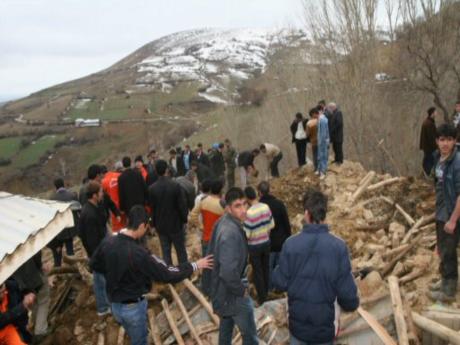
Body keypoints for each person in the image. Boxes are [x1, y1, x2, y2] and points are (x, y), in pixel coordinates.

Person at [90, 206, 213, 345]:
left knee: (131, 333)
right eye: (146, 227)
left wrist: (114, 272)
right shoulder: (139, 253)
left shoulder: (108, 241)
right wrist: (195, 265)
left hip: (115, 306)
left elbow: (94, 265)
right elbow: (167, 273)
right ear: (142, 225)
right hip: (133, 309)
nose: (146, 231)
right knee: (140, 341)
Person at [272, 188, 359, 345]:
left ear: (306, 213)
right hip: (324, 330)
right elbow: (349, 298)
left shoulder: (290, 244)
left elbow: (279, 283)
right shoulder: (339, 247)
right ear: (325, 214)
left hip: (298, 328)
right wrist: (350, 304)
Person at [207, 187, 259, 345]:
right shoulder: (230, 233)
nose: (243, 210)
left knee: (226, 325)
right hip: (232, 291)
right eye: (238, 206)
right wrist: (241, 290)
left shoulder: (225, 221)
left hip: (223, 291)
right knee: (250, 336)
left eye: (245, 204)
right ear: (228, 208)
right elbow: (228, 272)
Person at [428, 124, 460, 302]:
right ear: (437, 141)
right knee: (442, 248)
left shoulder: (457, 163)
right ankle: (445, 279)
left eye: (449, 139)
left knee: (448, 251)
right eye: (442, 140)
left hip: (451, 214)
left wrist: (453, 220)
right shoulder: (438, 158)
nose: (445, 143)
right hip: (441, 212)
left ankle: (449, 290)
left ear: (454, 141)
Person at [79, 181, 111, 316]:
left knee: (102, 279)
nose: (102, 194)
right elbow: (92, 240)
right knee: (99, 280)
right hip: (97, 252)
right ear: (94, 195)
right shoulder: (89, 214)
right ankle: (103, 308)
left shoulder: (91, 208)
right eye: (101, 192)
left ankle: (105, 304)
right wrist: (97, 255)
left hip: (98, 250)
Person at [148, 160, 189, 265]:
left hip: (161, 226)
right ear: (167, 169)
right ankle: (185, 274)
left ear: (156, 171)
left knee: (166, 253)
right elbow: (182, 205)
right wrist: (184, 219)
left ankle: (170, 276)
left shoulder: (152, 189)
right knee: (181, 251)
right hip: (176, 224)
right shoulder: (175, 185)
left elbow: (152, 209)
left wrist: (152, 224)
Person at [257, 181, 291, 291]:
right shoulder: (279, 204)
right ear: (269, 190)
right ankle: (280, 289)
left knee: (268, 268)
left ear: (259, 193)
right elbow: (286, 223)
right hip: (281, 242)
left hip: (267, 243)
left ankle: (269, 290)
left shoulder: (259, 207)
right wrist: (288, 238)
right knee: (281, 267)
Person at [243, 186, 274, 305]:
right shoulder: (265, 207)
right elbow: (271, 224)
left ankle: (262, 298)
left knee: (258, 272)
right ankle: (266, 291)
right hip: (266, 242)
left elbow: (247, 233)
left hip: (254, 246)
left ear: (246, 198)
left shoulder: (249, 213)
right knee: (266, 268)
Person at [12, 252, 50, 342]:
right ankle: (40, 331)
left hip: (20, 284)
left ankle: (38, 324)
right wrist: (40, 265)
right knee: (43, 301)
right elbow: (36, 254)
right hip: (34, 275)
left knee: (34, 304)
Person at [48, 178, 81, 266]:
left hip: (60, 229)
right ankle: (73, 267)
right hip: (71, 227)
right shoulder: (72, 195)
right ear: (64, 184)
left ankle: (58, 270)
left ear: (55, 187)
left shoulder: (52, 199)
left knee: (57, 251)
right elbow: (78, 209)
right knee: (70, 249)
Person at [189, 179, 225, 256]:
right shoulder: (223, 205)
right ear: (220, 191)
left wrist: (200, 226)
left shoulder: (203, 201)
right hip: (219, 239)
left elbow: (192, 215)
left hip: (206, 238)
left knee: (207, 264)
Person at [0, 279, 35, 345]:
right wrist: (22, 306)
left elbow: (23, 291)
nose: (3, 290)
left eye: (2, 285)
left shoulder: (12, 286)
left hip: (16, 328)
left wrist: (30, 293)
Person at [101, 161, 125, 232]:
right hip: (123, 205)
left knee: (117, 229)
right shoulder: (118, 175)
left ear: (101, 174)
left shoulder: (103, 181)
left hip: (114, 208)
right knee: (126, 226)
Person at [419, 107, 438, 176]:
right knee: (429, 162)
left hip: (428, 147)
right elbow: (431, 138)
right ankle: (426, 175)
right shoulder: (428, 124)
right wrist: (436, 146)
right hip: (430, 148)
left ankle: (426, 174)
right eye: (435, 112)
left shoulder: (428, 122)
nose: (436, 113)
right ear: (432, 113)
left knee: (428, 161)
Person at [317, 106, 330, 180]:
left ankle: (323, 172)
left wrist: (321, 142)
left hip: (323, 141)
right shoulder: (322, 119)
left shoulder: (322, 120)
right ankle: (321, 170)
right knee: (321, 156)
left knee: (323, 156)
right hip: (323, 141)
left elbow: (323, 133)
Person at [307, 107, 319, 173]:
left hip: (314, 141)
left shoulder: (309, 123)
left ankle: (316, 168)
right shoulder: (321, 120)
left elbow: (307, 134)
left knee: (315, 155)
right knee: (321, 154)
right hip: (322, 141)